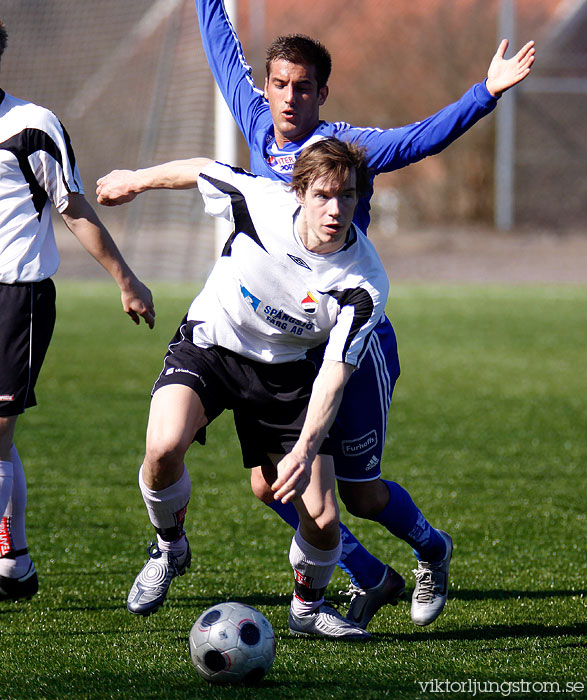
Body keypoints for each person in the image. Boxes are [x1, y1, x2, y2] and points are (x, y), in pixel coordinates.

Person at [192, 0, 536, 629]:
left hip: (353, 344)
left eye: (303, 87)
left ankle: (432, 550)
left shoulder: (348, 148)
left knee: (361, 493)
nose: (289, 98)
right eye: (279, 86)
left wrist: (483, 93)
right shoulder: (260, 127)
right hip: (293, 347)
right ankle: (370, 575)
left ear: (324, 91)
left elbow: (417, 137)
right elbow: (221, 52)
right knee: (271, 486)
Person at [96, 138, 389, 640]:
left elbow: (336, 372)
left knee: (321, 516)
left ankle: (306, 608)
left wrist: (306, 447)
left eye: (347, 196)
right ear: (300, 192)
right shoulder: (261, 202)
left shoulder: (364, 282)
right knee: (163, 448)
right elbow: (202, 169)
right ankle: (170, 547)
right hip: (212, 343)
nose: (336, 209)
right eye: (323, 195)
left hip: (286, 373)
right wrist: (135, 179)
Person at [0, 19, 155, 604]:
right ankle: (12, 561)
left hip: (16, 297)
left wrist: (126, 278)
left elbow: (72, 207)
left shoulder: (31, 126)